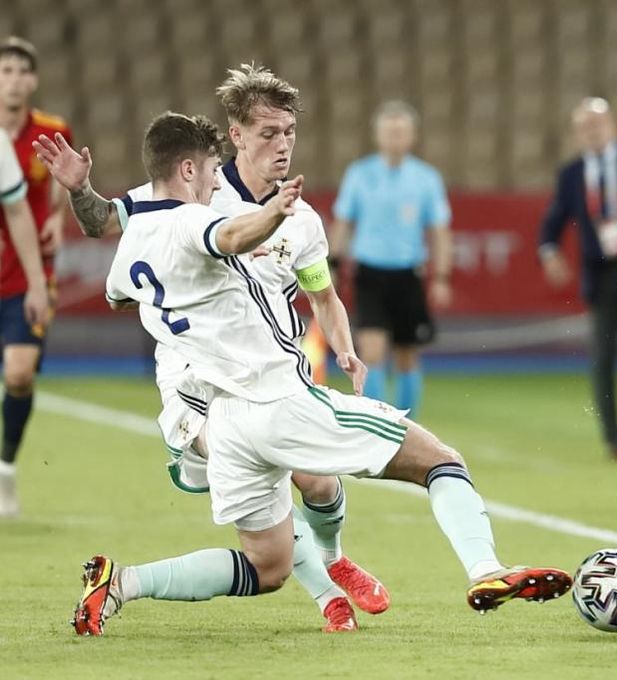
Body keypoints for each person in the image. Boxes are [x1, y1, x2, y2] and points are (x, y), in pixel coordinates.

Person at [68, 112, 570, 636]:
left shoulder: (140, 236)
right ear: (207, 159)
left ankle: (121, 583)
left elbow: (123, 295)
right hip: (266, 397)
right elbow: (228, 235)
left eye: (289, 132)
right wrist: (265, 223)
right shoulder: (203, 218)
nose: (218, 178)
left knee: (268, 566)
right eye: (267, 134)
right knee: (440, 461)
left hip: (232, 418)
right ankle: (484, 569)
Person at [34, 63, 386, 632]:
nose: (282, 143)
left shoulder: (305, 222)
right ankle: (327, 588)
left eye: (288, 132)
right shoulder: (185, 194)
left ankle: (332, 567)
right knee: (281, 474)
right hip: (196, 384)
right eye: (268, 132)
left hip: (267, 371)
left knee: (316, 485)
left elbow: (322, 294)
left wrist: (343, 349)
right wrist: (81, 190)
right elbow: (103, 222)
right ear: (238, 133)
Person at [538, 97, 617, 461]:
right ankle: (614, 437)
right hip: (601, 269)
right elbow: (555, 218)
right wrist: (549, 250)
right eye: (585, 127)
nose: (593, 132)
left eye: (598, 124)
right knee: (603, 357)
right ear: (578, 133)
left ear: (612, 125)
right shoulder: (572, 173)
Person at [329, 100, 452, 419]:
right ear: (378, 136)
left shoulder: (426, 178)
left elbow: (439, 230)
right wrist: (332, 263)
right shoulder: (359, 174)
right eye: (389, 132)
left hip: (408, 274)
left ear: (411, 136)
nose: (395, 138)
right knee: (371, 351)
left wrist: (441, 277)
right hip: (370, 272)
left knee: (407, 355)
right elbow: (343, 221)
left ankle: (408, 425)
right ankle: (377, 422)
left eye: (401, 132)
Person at [0, 37, 71, 517]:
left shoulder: (49, 130)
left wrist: (57, 220)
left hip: (28, 269)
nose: (13, 80)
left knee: (20, 372)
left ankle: (4, 467)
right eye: (4, 71)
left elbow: (63, 183)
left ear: (34, 80)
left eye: (21, 71)